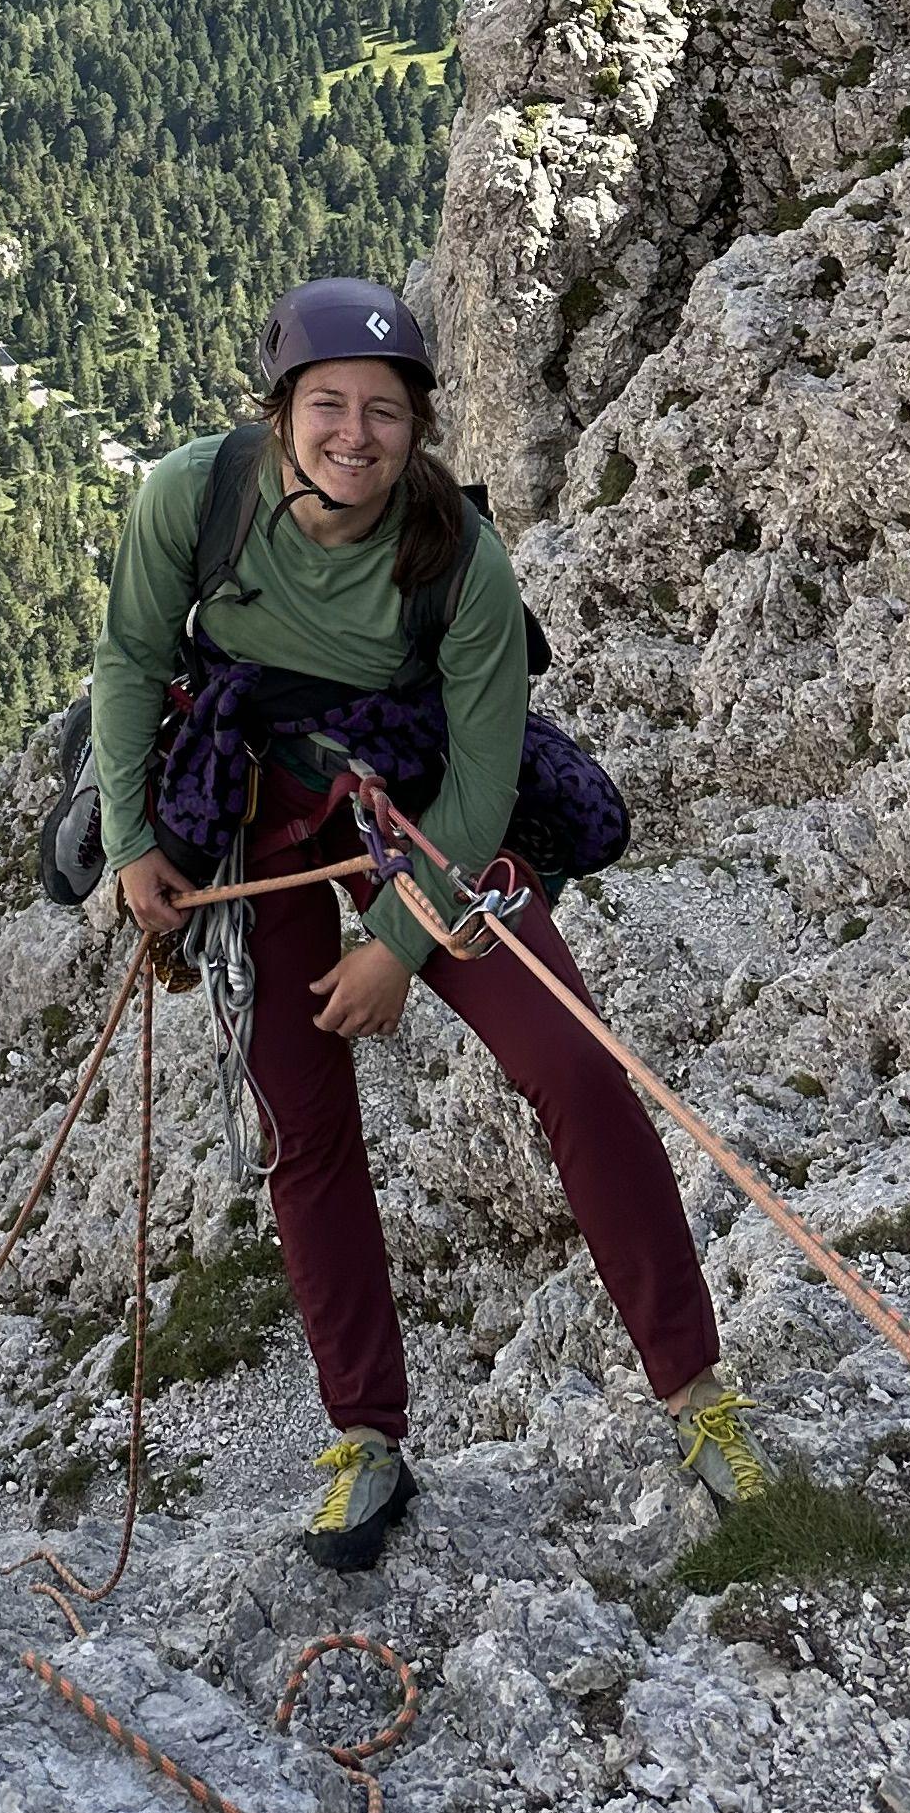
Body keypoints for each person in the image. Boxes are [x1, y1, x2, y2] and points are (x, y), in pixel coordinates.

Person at [88, 276, 768, 1572]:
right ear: (280, 410)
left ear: (419, 426)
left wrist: (400, 938)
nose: (356, 435)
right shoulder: (194, 495)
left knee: (574, 1064)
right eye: (330, 406)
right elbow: (130, 657)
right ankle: (366, 1436)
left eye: (385, 412)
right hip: (261, 811)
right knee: (302, 1121)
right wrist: (134, 851)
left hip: (420, 801)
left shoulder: (457, 551)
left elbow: (485, 779)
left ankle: (695, 1394)